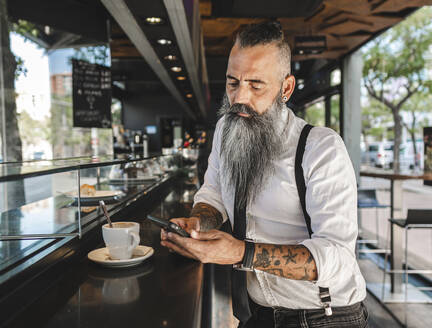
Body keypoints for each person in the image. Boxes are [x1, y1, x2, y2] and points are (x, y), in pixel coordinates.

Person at [161, 21, 368, 327]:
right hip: (255, 314)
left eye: (256, 85)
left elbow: (337, 257)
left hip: (323, 317)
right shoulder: (225, 129)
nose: (240, 98)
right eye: (233, 83)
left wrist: (241, 253)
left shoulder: (320, 148)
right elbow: (214, 194)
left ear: (286, 88)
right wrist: (198, 222)